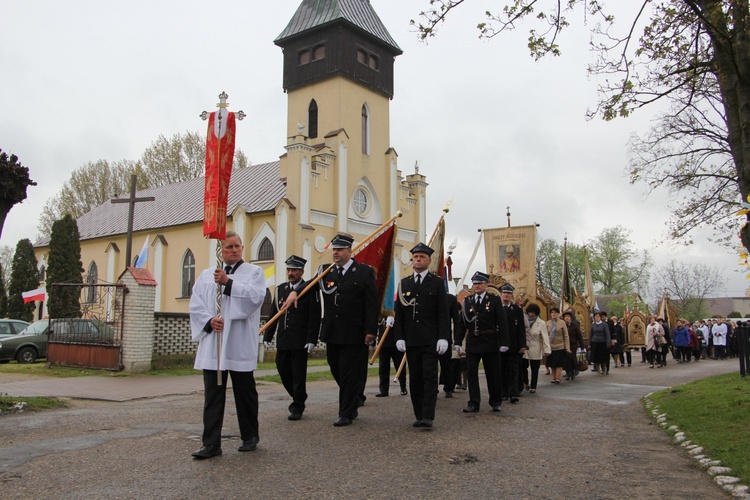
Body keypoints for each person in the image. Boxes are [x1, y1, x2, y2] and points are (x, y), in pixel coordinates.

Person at [189, 231, 266, 459]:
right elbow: (196, 305)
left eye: (237, 246)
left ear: (242, 248)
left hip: (239, 342)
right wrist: (208, 320)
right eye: (228, 247)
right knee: (213, 395)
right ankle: (211, 443)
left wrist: (228, 283)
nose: (233, 250)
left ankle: (250, 436)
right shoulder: (206, 276)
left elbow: (255, 298)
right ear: (220, 251)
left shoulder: (254, 272)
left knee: (245, 393)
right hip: (215, 343)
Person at [318, 233, 378, 426]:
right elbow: (308, 287)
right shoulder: (325, 271)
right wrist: (294, 292)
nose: (335, 253)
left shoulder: (363, 272)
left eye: (339, 249)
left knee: (348, 373)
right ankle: (352, 402)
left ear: (349, 251)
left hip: (354, 332)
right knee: (335, 367)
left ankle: (345, 413)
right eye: (334, 249)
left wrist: (371, 330)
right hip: (332, 331)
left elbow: (371, 304)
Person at [395, 243, 450, 428]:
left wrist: (443, 337)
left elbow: (443, 312)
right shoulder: (404, 283)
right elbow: (400, 313)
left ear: (429, 260)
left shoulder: (436, 283)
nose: (418, 259)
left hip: (430, 339)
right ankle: (419, 414)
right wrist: (399, 336)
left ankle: (428, 415)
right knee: (416, 378)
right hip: (411, 339)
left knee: (429, 377)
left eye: (421, 257)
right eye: (415, 257)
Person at [262, 255, 319, 421]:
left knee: (298, 374)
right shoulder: (280, 289)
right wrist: (268, 335)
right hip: (284, 339)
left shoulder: (308, 289)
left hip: (300, 340)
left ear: (301, 271)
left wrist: (311, 339)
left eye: (294, 270)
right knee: (282, 369)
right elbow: (274, 313)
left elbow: (314, 316)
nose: (291, 272)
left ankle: (297, 406)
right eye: (289, 269)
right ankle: (298, 395)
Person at [454, 272, 509, 413]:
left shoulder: (494, 300)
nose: (477, 286)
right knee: (472, 374)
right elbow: (461, 323)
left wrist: (504, 342)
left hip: (490, 341)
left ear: (485, 284)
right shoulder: (467, 301)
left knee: (493, 373)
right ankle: (473, 403)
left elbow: (502, 322)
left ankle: (495, 401)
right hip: (473, 341)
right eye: (475, 283)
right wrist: (458, 341)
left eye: (479, 283)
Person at [499, 283, 528, 403]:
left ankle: (513, 393)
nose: (506, 295)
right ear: (501, 294)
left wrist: (522, 345)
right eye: (504, 293)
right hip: (499, 344)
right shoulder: (497, 307)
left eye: (508, 293)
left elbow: (521, 328)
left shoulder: (516, 309)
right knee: (501, 369)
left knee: (513, 370)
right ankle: (502, 392)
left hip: (513, 344)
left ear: (512, 295)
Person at [375, 317, 407, 398]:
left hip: (396, 341)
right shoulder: (380, 309)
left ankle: (403, 388)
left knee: (399, 366)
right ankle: (383, 390)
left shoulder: (395, 307)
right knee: (383, 367)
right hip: (383, 341)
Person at [522, 303, 550, 393]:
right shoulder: (524, 321)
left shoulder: (541, 323)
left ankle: (533, 386)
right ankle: (525, 382)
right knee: (523, 367)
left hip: (536, 347)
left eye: (533, 312)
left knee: (535, 368)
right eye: (530, 312)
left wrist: (547, 349)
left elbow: (545, 337)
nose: (531, 314)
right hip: (525, 348)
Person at [545, 307, 570, 383]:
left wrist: (567, 347)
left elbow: (566, 335)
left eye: (555, 312)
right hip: (551, 346)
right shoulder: (548, 323)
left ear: (558, 314)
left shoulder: (562, 323)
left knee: (559, 362)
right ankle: (554, 377)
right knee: (552, 363)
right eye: (552, 312)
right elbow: (545, 335)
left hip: (560, 346)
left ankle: (558, 377)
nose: (554, 314)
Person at [563, 310, 584, 380]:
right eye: (565, 316)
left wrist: (582, 346)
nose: (567, 318)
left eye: (568, 316)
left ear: (571, 318)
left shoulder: (575, 325)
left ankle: (574, 371)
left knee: (572, 358)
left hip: (573, 345)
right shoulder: (563, 326)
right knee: (566, 359)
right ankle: (568, 372)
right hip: (565, 345)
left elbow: (579, 336)